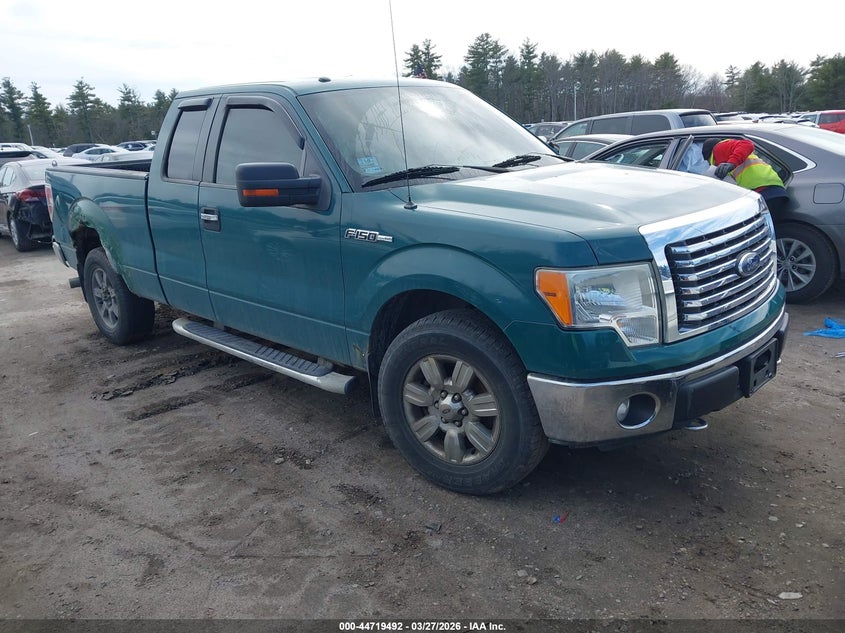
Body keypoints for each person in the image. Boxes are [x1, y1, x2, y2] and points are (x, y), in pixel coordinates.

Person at [701, 138, 790, 213]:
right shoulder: (732, 154)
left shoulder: (720, 147)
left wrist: (732, 163)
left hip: (763, 191)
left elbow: (747, 144)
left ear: (708, 155)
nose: (709, 165)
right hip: (774, 189)